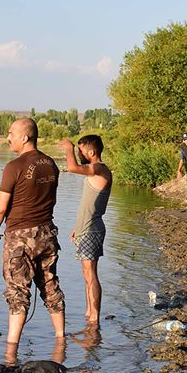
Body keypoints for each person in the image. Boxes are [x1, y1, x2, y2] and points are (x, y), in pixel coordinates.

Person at [0, 118, 65, 352]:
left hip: (20, 237)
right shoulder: (50, 164)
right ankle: (61, 339)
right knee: (50, 285)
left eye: (11, 133)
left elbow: (0, 208)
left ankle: (11, 351)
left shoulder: (14, 166)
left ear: (25, 137)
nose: (8, 137)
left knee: (17, 292)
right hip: (48, 233)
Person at [59, 135, 112, 324]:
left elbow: (72, 168)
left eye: (81, 150)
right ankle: (89, 313)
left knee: (91, 274)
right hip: (85, 229)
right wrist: (78, 227)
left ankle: (94, 317)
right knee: (86, 274)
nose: (79, 153)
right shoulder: (95, 171)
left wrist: (68, 148)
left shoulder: (99, 168)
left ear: (91, 152)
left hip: (92, 229)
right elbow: (88, 204)